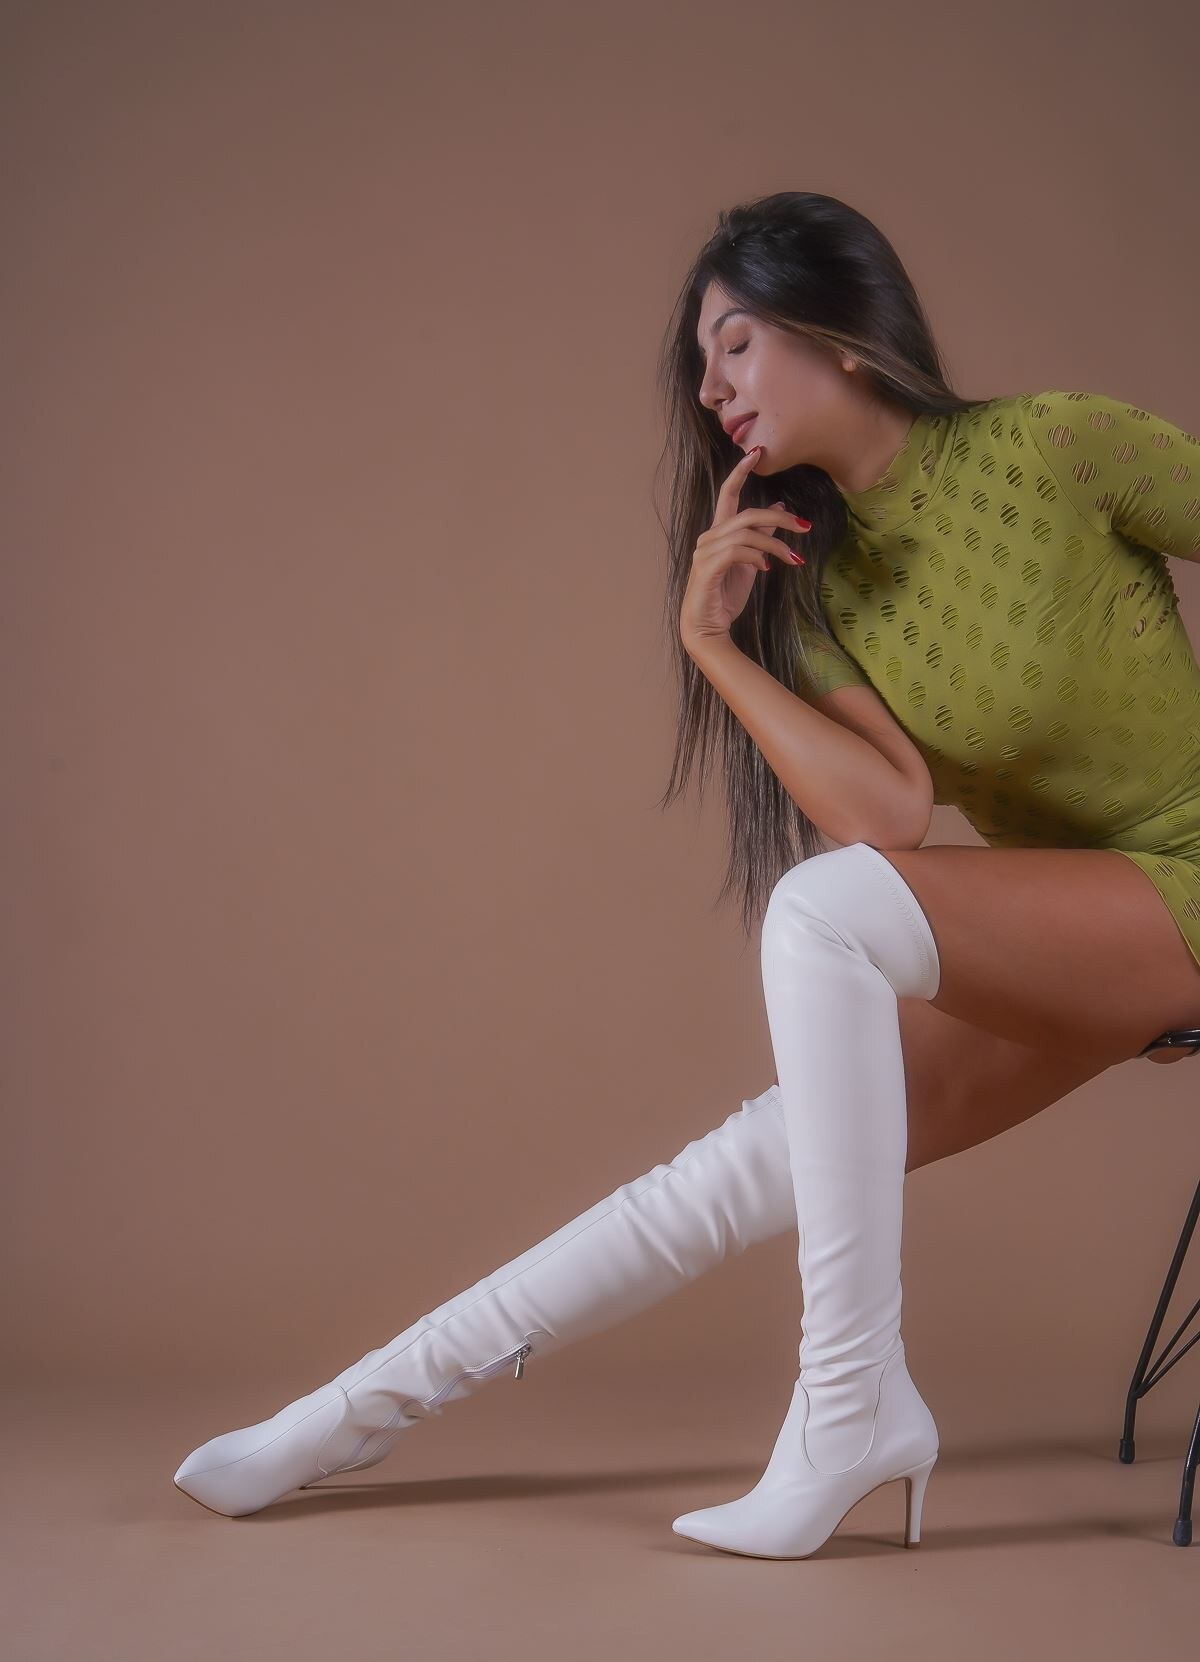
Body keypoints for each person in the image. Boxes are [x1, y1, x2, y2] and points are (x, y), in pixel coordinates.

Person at [173, 191, 1200, 1558]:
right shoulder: (824, 589)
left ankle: (848, 1407)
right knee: (751, 1156)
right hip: (1091, 922)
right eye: (698, 367)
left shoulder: (1058, 446)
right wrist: (711, 643)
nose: (709, 391)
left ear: (839, 331)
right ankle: (353, 1411)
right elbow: (888, 815)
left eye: (734, 345)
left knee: (818, 919)